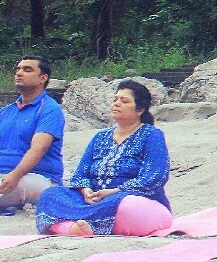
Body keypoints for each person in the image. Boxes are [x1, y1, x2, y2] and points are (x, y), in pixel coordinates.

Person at [35, 81, 172, 236]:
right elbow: (80, 175)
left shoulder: (152, 135)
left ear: (140, 109)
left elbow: (155, 177)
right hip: (93, 200)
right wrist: (85, 190)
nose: (116, 104)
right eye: (115, 99)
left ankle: (78, 226)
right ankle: (78, 228)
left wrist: (115, 191)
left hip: (131, 198)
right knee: (50, 195)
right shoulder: (100, 137)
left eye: (124, 101)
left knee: (127, 205)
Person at [0, 55, 65, 211]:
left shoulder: (50, 109)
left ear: (43, 78)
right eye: (18, 69)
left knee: (19, 186)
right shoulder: (6, 111)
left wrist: (14, 176)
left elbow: (39, 148)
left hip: (38, 178)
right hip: (4, 176)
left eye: (27, 70)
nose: (19, 73)